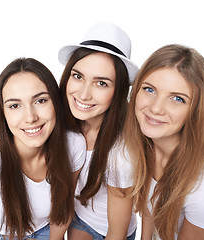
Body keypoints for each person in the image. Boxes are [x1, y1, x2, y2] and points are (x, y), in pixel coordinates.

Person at [0, 57, 86, 240]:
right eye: (15, 105)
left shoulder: (74, 144)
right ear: (3, 114)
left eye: (40, 101)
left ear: (56, 103)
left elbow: (63, 208)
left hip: (45, 233)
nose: (30, 117)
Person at [123, 44, 204, 239]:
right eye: (149, 89)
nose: (156, 108)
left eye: (177, 98)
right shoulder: (149, 142)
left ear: (197, 110)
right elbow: (149, 215)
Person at [58, 22, 139, 240]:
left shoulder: (121, 153)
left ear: (119, 91)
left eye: (101, 83)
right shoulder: (61, 123)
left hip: (108, 231)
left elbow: (117, 233)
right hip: (78, 217)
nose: (83, 94)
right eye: (78, 76)